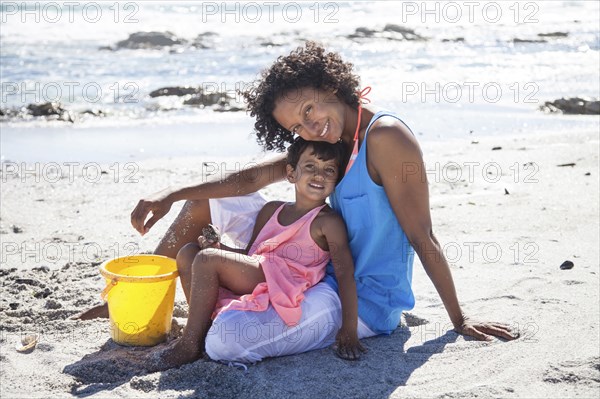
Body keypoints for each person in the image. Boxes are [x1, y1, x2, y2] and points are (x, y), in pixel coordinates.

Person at [86, 41, 518, 361]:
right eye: (298, 126)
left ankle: (204, 325)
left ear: (331, 84)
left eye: (310, 109)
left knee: (223, 344)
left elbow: (422, 236)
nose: (310, 128)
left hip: (359, 299)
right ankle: (142, 294)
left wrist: (459, 319)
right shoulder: (332, 144)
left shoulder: (386, 139)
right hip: (308, 265)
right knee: (202, 205)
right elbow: (252, 177)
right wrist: (170, 193)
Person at [151, 138, 365, 370]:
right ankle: (203, 328)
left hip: (285, 282)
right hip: (259, 270)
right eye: (310, 166)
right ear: (291, 174)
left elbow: (345, 274)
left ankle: (189, 345)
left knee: (206, 259)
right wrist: (221, 250)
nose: (319, 175)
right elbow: (249, 254)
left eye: (329, 170)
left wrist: (349, 328)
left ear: (337, 180)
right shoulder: (271, 210)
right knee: (188, 253)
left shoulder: (327, 222)